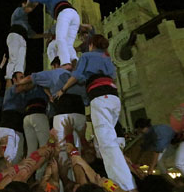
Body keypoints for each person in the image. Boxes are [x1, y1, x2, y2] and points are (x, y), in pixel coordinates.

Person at [56, 34, 137, 191]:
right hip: (114, 98)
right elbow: (112, 77)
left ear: (91, 44)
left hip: (101, 97)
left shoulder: (87, 56)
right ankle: (123, 178)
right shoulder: (107, 58)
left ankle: (125, 186)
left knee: (106, 143)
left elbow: (77, 76)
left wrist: (62, 89)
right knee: (105, 143)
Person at [27, 0, 80, 69]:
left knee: (60, 39)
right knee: (68, 44)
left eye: (49, 13)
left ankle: (65, 63)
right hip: (75, 16)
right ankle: (75, 61)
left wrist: (27, 6)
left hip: (65, 13)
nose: (51, 15)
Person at [5, 1, 50, 81]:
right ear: (22, 4)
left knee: (21, 62)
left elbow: (32, 35)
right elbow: (27, 9)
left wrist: (45, 35)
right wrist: (35, 2)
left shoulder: (26, 23)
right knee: (14, 58)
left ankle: (20, 79)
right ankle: (8, 78)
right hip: (15, 35)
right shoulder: (18, 11)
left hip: (22, 39)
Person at [0, 72, 27, 164]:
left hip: (17, 128)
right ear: (14, 80)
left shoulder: (23, 95)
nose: (24, 79)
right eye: (21, 77)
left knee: (17, 157)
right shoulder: (11, 89)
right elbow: (20, 88)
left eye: (24, 77)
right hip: (9, 126)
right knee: (7, 157)